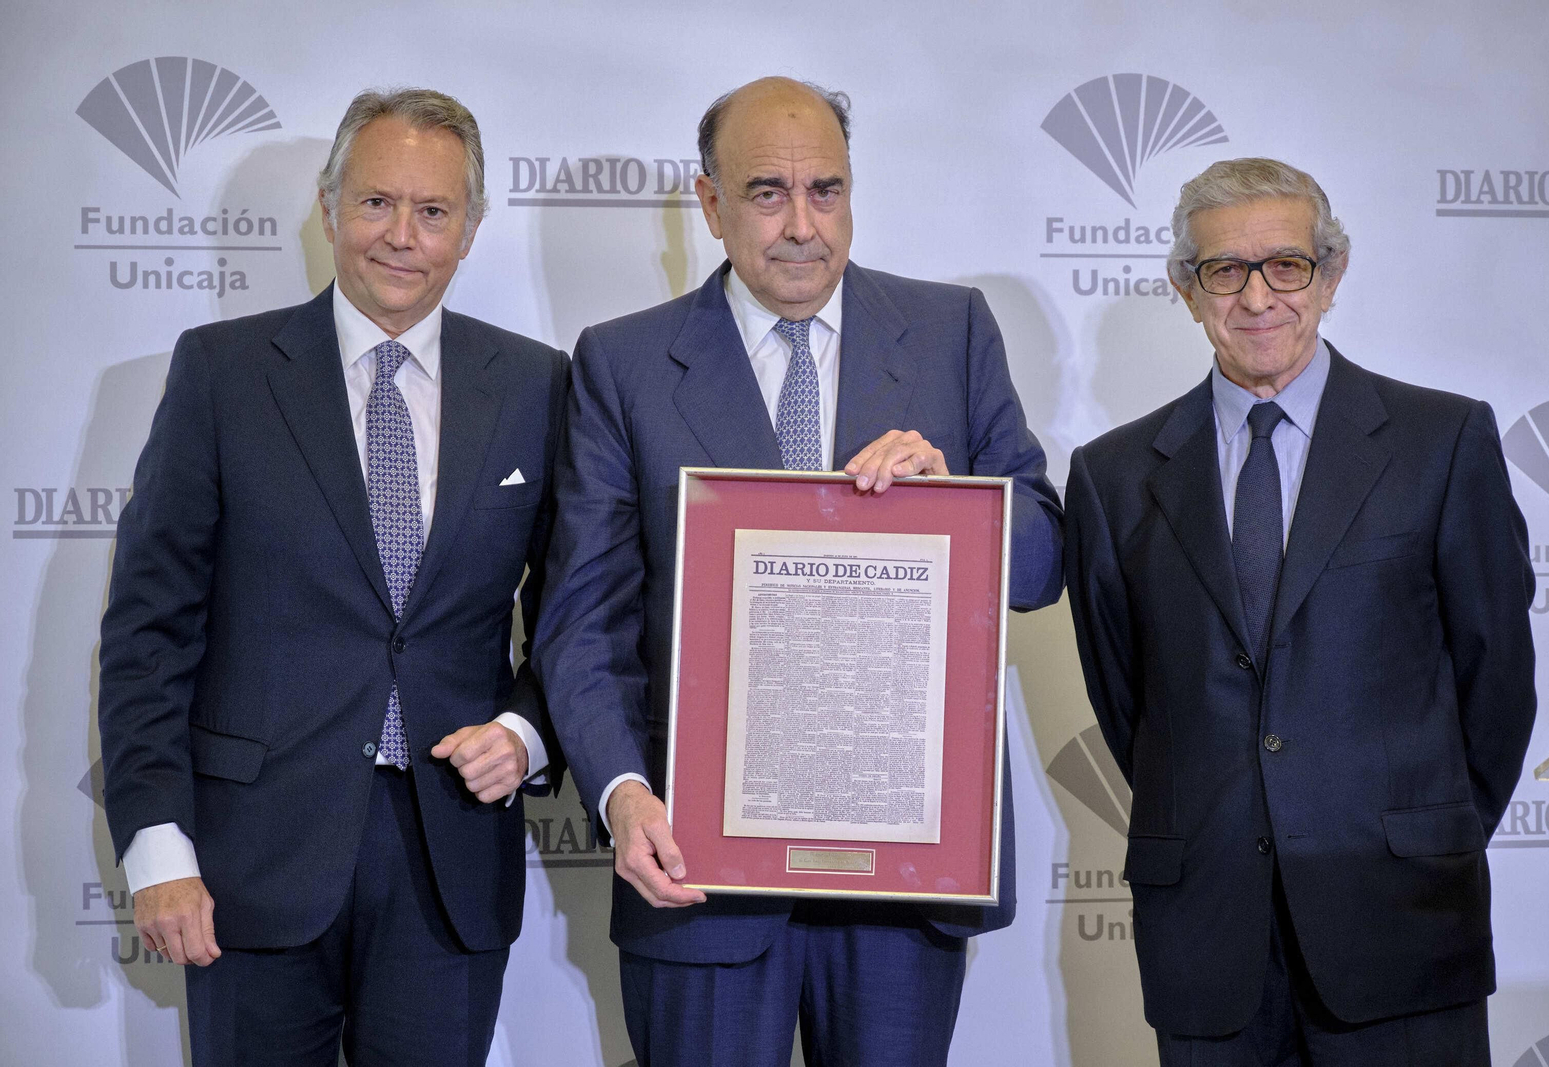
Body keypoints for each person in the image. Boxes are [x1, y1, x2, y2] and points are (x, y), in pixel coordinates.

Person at [533, 76, 1065, 1066]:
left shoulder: (951, 333)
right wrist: (621, 793)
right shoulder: (624, 363)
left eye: (826, 190)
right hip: (699, 869)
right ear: (710, 203)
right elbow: (580, 618)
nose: (801, 225)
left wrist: (961, 504)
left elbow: (1040, 559)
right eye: (768, 192)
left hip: (905, 874)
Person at [97, 88, 568, 1066]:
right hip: (249, 860)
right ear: (326, 208)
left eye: (434, 211)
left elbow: (576, 614)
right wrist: (156, 844)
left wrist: (525, 731)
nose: (402, 236)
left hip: (451, 863)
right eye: (375, 203)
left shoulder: (537, 386)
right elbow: (149, 632)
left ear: (471, 229)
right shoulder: (222, 373)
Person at [1062, 156, 1537, 1066]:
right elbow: (1130, 703)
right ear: (1185, 288)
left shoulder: (1443, 441)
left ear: (1330, 277)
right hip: (1208, 931)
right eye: (1223, 270)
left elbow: (1497, 680)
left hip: (1401, 918)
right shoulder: (1112, 475)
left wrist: (1422, 831)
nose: (1257, 297)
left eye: (1286, 265)